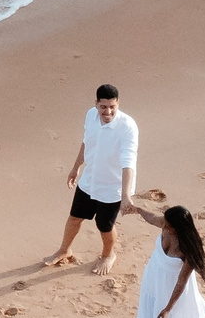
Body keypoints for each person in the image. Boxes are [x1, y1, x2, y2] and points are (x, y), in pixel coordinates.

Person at [45, 83, 138, 275]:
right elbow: (87, 142)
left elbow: (128, 163)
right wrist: (75, 167)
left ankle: (108, 255)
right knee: (74, 218)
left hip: (112, 187)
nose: (108, 111)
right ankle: (64, 250)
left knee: (105, 225)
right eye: (103, 107)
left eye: (112, 106)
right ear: (96, 104)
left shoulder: (128, 127)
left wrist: (126, 195)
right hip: (89, 180)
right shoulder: (90, 116)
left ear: (118, 103)